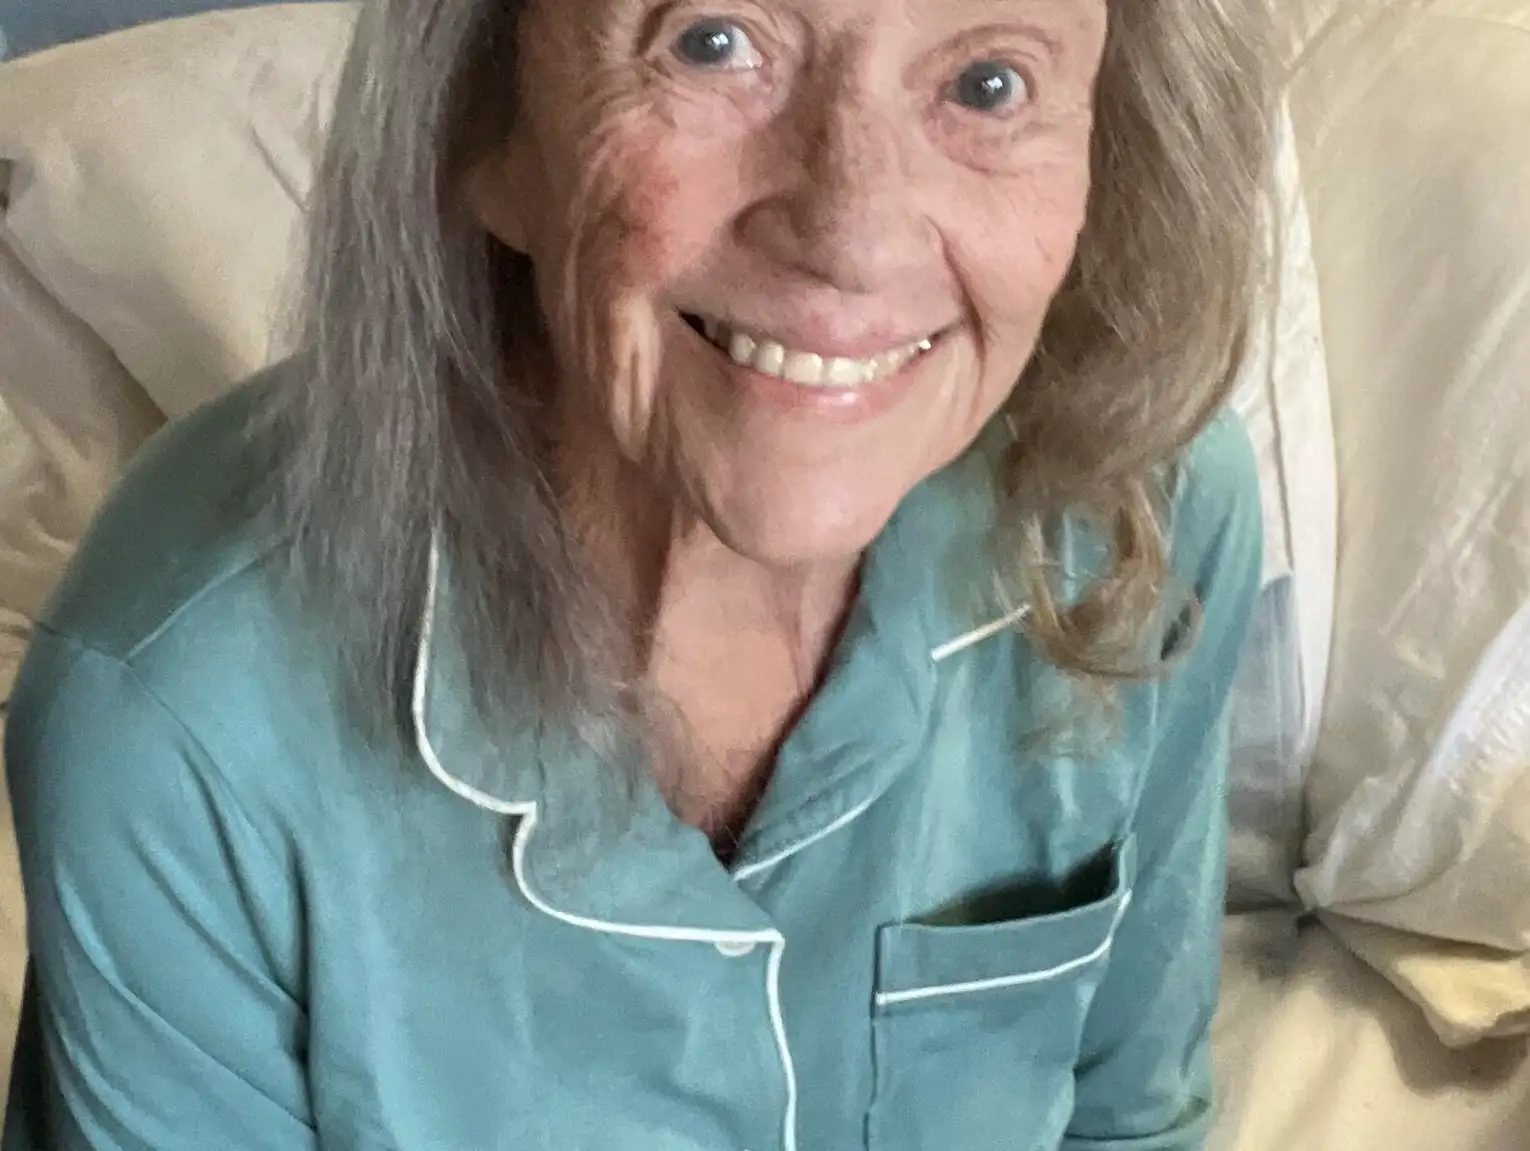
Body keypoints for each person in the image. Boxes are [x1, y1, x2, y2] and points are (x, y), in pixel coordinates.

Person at [2, 0, 1273, 1147]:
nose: (852, 233)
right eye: (712, 43)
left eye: (988, 84)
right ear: (486, 123)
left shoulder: (1146, 514)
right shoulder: (175, 707)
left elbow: (1128, 1116)